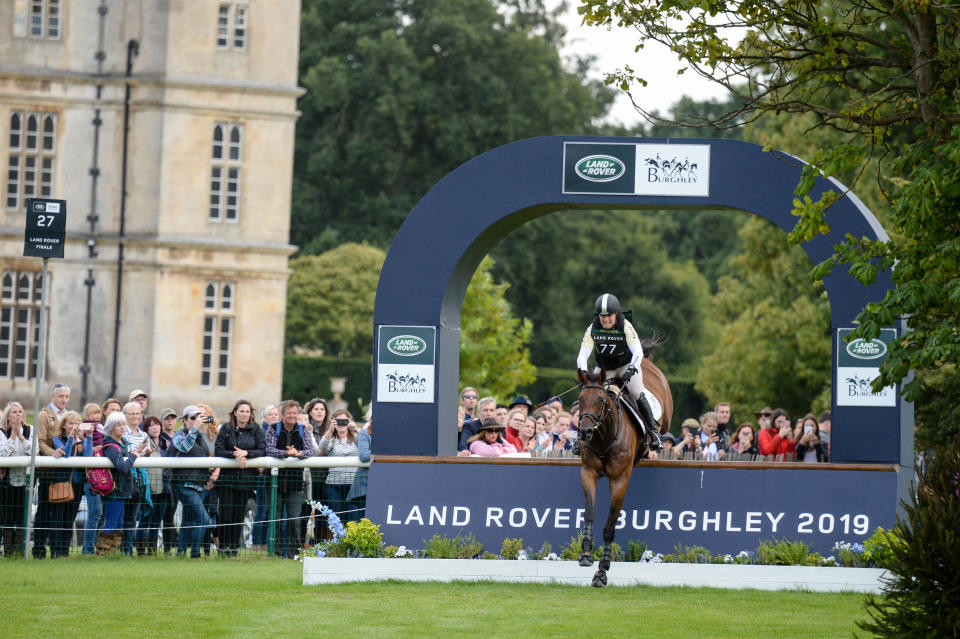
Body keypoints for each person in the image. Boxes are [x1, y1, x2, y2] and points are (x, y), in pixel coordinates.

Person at [576, 293, 661, 450]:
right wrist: (584, 373)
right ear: (597, 316)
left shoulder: (626, 326)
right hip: (604, 368)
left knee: (636, 392)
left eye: (609, 316)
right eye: (602, 316)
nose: (606, 320)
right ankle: (579, 436)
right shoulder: (592, 328)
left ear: (616, 314)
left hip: (625, 365)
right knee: (590, 393)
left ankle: (653, 433)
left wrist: (631, 369)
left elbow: (638, 353)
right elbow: (582, 356)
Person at [214, 399, 266, 555]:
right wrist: (234, 454)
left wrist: (246, 453)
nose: (244, 414)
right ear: (235, 412)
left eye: (247, 411)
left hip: (246, 480)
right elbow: (219, 450)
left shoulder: (256, 430)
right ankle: (223, 548)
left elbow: (262, 449)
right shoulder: (226, 428)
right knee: (226, 514)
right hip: (227, 480)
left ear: (251, 414)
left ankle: (234, 549)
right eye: (241, 411)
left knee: (238, 515)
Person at [265, 400, 314, 558]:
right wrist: (285, 453)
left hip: (295, 484)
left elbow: (310, 450)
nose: (292, 416)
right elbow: (269, 449)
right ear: (282, 414)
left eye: (295, 413)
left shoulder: (303, 430)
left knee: (295, 521)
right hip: (274, 484)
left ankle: (294, 554)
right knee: (276, 520)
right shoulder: (273, 429)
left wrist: (298, 454)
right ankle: (276, 553)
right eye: (289, 413)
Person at [169, 405, 214, 558]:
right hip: (184, 483)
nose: (196, 421)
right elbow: (184, 447)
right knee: (203, 518)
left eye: (198, 417)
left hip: (199, 484)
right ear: (185, 420)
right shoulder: (178, 435)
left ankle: (180, 553)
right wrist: (195, 429)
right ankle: (195, 554)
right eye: (193, 418)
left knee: (188, 520)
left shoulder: (201, 437)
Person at [98, 412, 144, 554]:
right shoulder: (110, 446)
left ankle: (114, 554)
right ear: (111, 428)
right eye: (118, 424)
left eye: (123, 424)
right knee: (111, 523)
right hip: (115, 491)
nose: (122, 427)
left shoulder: (121, 444)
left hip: (122, 490)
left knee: (118, 524)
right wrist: (135, 454)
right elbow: (123, 467)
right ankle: (102, 554)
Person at [34, 382, 71, 558]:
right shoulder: (44, 415)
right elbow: (40, 441)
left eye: (66, 396)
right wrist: (52, 453)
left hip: (65, 473)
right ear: (52, 397)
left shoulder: (68, 416)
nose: (64, 399)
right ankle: (39, 548)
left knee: (61, 513)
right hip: (49, 472)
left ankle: (59, 550)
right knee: (44, 511)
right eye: (60, 396)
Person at [50, 411, 86, 558]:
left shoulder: (81, 441)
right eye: (70, 423)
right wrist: (71, 437)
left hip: (77, 484)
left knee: (69, 519)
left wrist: (87, 437)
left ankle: (64, 551)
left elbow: (88, 454)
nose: (73, 426)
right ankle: (55, 552)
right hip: (61, 482)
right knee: (58, 519)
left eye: (77, 423)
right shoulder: (57, 438)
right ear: (64, 425)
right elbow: (66, 453)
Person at [318, 409, 360, 522]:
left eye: (343, 421)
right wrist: (330, 430)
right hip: (333, 485)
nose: (341, 424)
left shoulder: (356, 437)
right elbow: (322, 447)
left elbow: (368, 444)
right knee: (337, 519)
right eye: (338, 421)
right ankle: (338, 540)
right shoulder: (331, 439)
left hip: (353, 485)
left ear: (349, 421)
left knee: (353, 519)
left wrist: (356, 429)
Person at [0, 402, 31, 556]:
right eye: (14, 412)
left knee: (20, 516)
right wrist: (12, 435)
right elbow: (3, 454)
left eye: (20, 411)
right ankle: (8, 551)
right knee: (6, 516)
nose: (17, 414)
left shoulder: (29, 430)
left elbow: (34, 451)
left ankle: (18, 551)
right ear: (7, 415)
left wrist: (20, 436)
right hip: (5, 481)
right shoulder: (1, 432)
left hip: (24, 480)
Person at [119, 401, 150, 556]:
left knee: (132, 518)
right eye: (132, 413)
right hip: (124, 480)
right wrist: (138, 451)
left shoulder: (144, 435)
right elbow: (126, 454)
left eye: (138, 413)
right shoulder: (121, 433)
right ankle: (118, 549)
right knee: (122, 516)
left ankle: (128, 550)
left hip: (139, 480)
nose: (136, 416)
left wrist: (146, 453)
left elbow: (143, 456)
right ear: (125, 416)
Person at [134, 416, 165, 555]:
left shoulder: (165, 443)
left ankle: (152, 553)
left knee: (156, 522)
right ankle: (141, 552)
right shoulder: (144, 442)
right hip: (148, 488)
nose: (155, 428)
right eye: (151, 425)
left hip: (163, 488)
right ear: (146, 428)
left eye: (157, 425)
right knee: (144, 521)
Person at [252, 404, 280, 552]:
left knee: (271, 511)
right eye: (270, 414)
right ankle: (258, 544)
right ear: (264, 417)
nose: (274, 417)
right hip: (263, 476)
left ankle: (268, 544)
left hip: (275, 476)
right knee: (262, 510)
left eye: (276, 414)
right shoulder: (260, 431)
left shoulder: (278, 431)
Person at [346, 411, 372, 520]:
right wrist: (384, 451)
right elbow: (364, 456)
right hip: (364, 486)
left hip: (382, 485)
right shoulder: (364, 433)